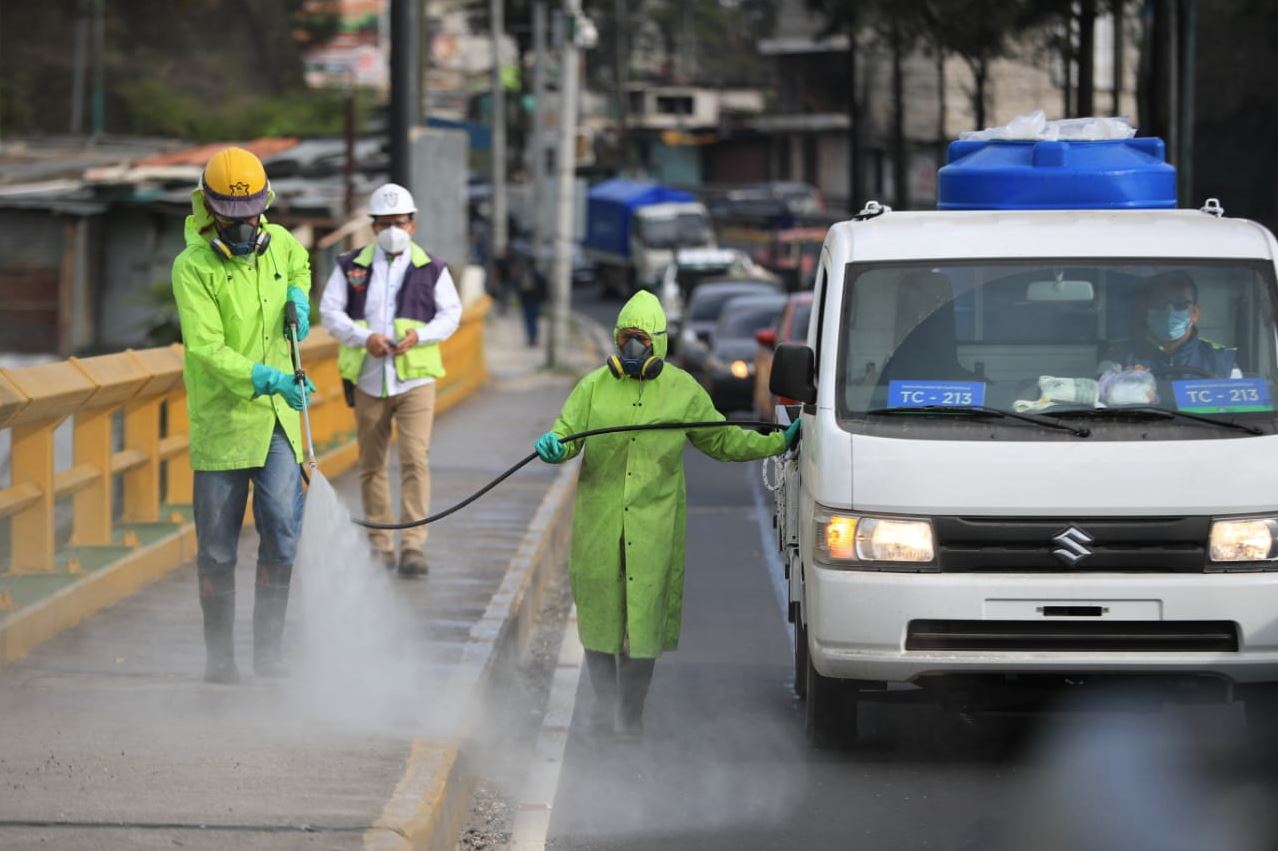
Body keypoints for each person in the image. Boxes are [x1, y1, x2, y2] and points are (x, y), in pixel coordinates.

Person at [534, 291, 800, 737]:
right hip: (600, 526)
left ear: (656, 342)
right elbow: (567, 437)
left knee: (642, 622)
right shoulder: (593, 387)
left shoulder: (683, 391)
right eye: (624, 339)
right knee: (600, 619)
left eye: (639, 339)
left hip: (654, 527)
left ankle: (630, 718)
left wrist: (778, 442)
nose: (630, 348)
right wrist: (554, 446)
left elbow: (724, 440)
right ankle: (603, 711)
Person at [171, 146, 314, 684]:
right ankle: (220, 661)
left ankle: (269, 656)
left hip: (277, 420)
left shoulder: (279, 246)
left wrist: (299, 297)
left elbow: (300, 264)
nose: (243, 226)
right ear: (209, 209)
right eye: (231, 218)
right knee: (216, 547)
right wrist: (267, 377)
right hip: (223, 421)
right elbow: (206, 349)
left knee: (281, 529)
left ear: (265, 205)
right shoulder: (193, 268)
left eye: (250, 214)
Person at [320, 183, 462, 576]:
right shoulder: (351, 267)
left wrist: (420, 336)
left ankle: (413, 545)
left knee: (415, 459)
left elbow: (450, 315)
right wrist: (366, 338)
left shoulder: (432, 268)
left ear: (412, 226)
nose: (392, 230)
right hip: (369, 378)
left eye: (399, 223)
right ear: (372, 227)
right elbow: (330, 312)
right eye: (384, 224)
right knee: (372, 464)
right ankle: (380, 545)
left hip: (415, 379)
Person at [1101, 271, 1241, 379]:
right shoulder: (1117, 357)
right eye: (1159, 303)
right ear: (1146, 310)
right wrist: (1124, 383)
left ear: (1195, 313)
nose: (1169, 311)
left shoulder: (1223, 361)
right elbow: (1100, 402)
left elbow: (1241, 411)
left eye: (1180, 305)